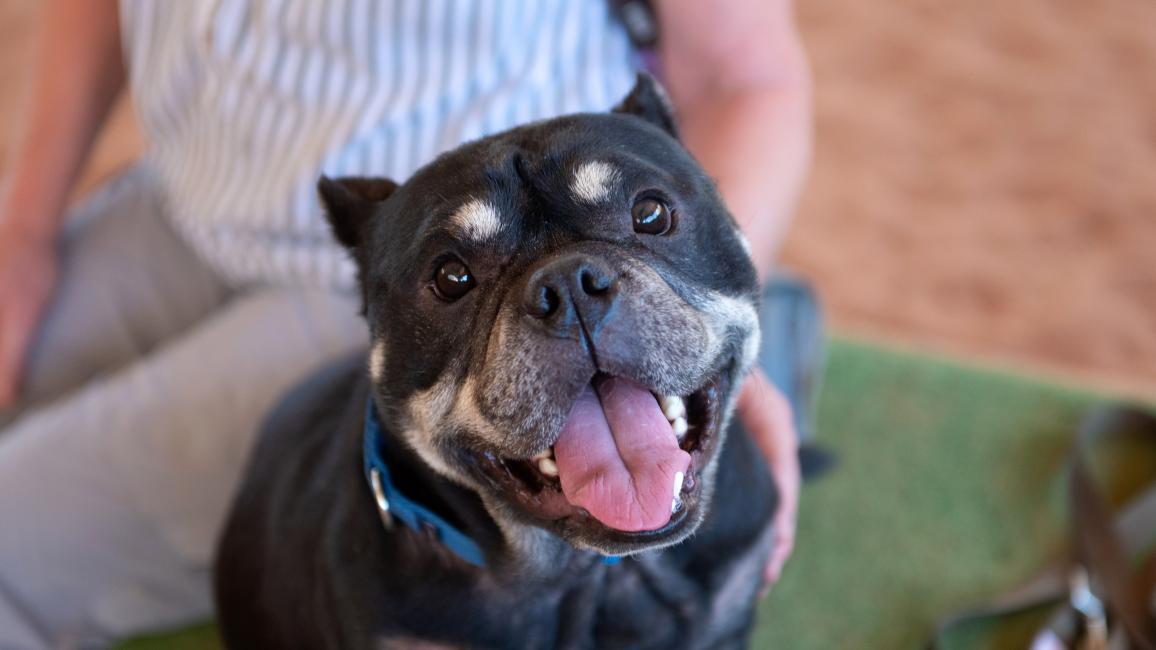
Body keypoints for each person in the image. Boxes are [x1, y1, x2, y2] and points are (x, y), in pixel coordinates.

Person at [0, 0, 813, 645]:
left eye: (649, 216)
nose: (570, 298)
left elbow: (742, 74)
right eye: (460, 278)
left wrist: (699, 353)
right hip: (199, 201)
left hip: (387, 278)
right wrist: (25, 229)